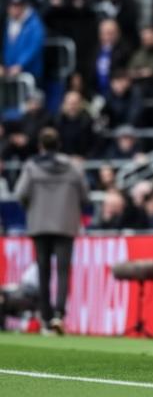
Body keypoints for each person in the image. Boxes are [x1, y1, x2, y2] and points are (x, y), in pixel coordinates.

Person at [14, 127, 89, 335]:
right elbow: (85, 197)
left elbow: (20, 193)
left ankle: (46, 318)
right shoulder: (73, 167)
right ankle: (59, 315)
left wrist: (33, 207)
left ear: (40, 145)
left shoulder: (31, 167)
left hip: (39, 225)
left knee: (43, 271)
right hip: (65, 224)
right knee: (63, 271)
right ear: (59, 145)